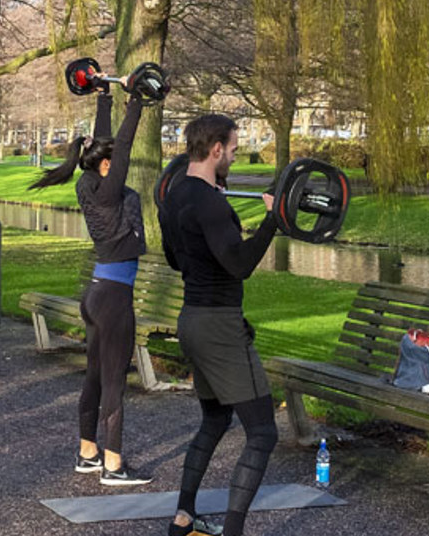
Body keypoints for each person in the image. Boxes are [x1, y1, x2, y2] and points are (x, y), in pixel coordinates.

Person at [158, 115, 278, 536]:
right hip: (218, 327)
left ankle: (183, 518)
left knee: (215, 420)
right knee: (263, 433)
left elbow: (176, 259)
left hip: (192, 319)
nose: (233, 154)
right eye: (232, 148)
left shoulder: (175, 196)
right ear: (215, 150)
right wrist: (272, 221)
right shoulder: (211, 204)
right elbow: (240, 264)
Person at [29, 82, 149, 486]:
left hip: (97, 292)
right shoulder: (109, 190)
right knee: (114, 382)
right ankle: (113, 466)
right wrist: (136, 103)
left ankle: (87, 453)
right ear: (105, 166)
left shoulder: (88, 184)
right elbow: (124, 144)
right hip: (114, 298)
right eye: (113, 161)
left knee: (96, 376)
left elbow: (105, 143)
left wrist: (104, 96)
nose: (118, 163)